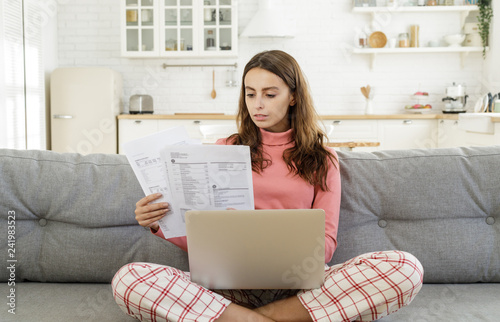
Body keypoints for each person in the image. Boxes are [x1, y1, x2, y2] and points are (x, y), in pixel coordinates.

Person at [112, 50, 423, 322]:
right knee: (128, 280)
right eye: (250, 94)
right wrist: (159, 223)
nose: (257, 104)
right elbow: (199, 239)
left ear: (294, 96)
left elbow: (325, 247)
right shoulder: (225, 147)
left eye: (269, 94)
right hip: (226, 288)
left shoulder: (321, 158)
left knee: (405, 268)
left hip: (299, 291)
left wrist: (267, 235)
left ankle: (257, 319)